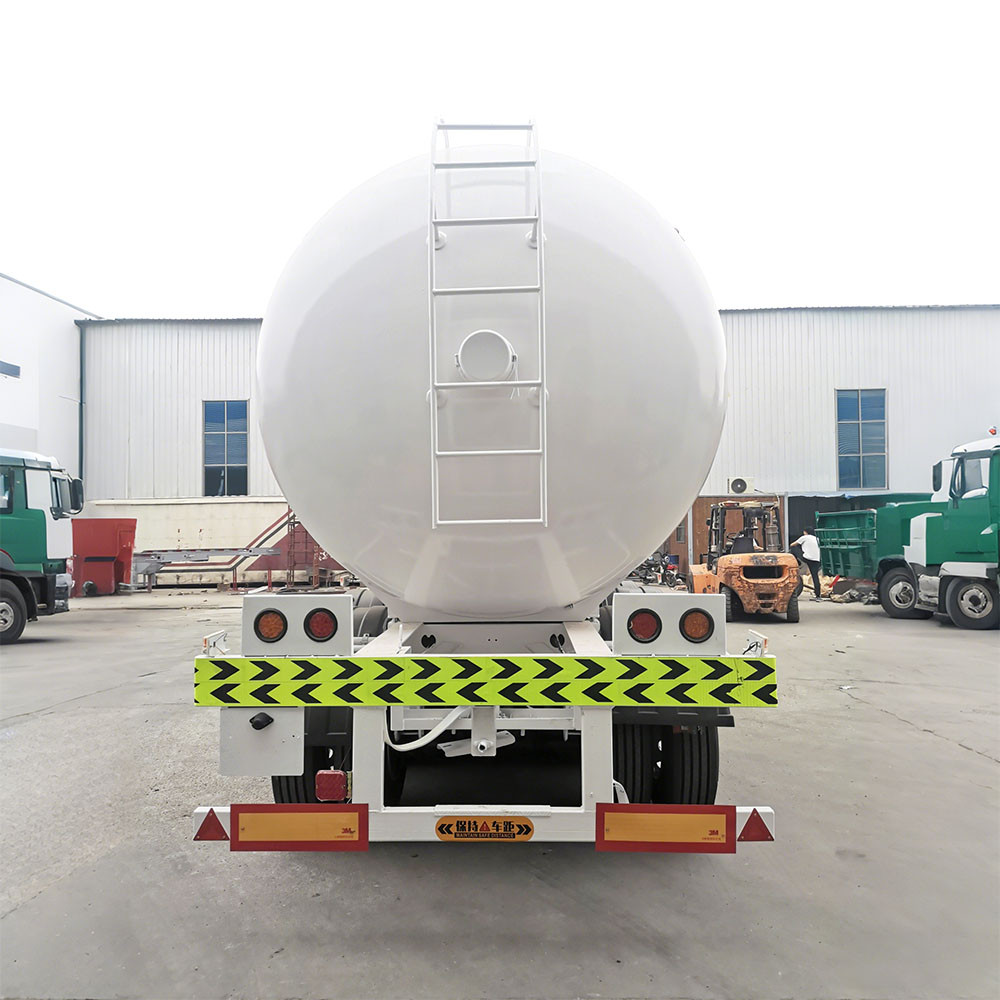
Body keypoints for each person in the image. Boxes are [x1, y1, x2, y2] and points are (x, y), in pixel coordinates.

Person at [793, 526, 823, 600]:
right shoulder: (817, 539)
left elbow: (792, 544)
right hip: (817, 559)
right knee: (815, 576)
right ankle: (818, 596)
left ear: (805, 532)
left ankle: (797, 562)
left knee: (793, 548)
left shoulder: (804, 537)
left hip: (807, 558)